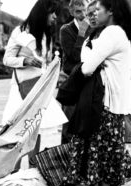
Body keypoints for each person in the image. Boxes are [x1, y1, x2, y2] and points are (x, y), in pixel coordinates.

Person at [58, 0, 131, 186]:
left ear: (110, 11)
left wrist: (91, 59)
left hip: (102, 103)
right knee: (107, 154)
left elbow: (86, 67)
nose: (91, 15)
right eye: (89, 12)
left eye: (96, 11)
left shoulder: (111, 33)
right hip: (114, 105)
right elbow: (89, 61)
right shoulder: (113, 33)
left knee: (86, 150)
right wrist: (91, 57)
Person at [2, 0, 67, 166]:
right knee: (18, 130)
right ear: (42, 13)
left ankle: (32, 171)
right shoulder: (20, 31)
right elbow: (6, 59)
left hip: (39, 87)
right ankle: (12, 173)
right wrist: (25, 61)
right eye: (52, 13)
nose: (54, 17)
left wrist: (53, 73)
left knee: (36, 129)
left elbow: (44, 62)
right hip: (21, 88)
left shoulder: (46, 34)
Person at [59, 0, 90, 143]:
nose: (83, 15)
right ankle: (66, 161)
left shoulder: (93, 28)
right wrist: (82, 32)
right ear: (71, 12)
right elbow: (74, 56)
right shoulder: (66, 29)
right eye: (78, 11)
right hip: (71, 81)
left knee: (86, 124)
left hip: (88, 80)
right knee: (69, 124)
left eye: (85, 10)